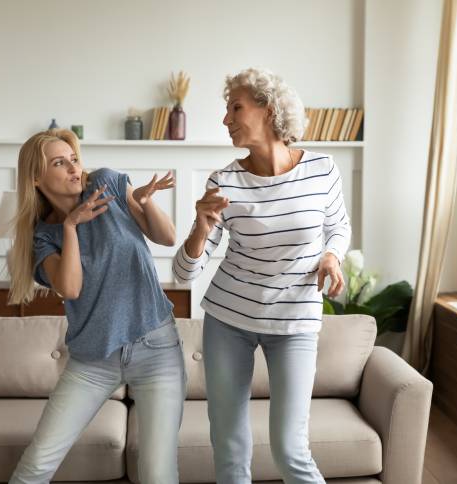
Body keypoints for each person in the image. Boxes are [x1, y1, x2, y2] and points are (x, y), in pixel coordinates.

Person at [173, 68, 351, 484]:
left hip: (295, 321)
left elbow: (338, 227)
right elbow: (185, 273)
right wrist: (201, 225)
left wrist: (331, 257)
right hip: (228, 320)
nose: (225, 119)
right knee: (231, 450)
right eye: (226, 109)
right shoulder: (225, 182)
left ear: (269, 110)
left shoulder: (322, 169)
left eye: (235, 107)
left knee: (291, 449)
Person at [8, 128, 185, 484]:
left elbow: (166, 237)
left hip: (156, 349)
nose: (74, 168)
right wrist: (71, 227)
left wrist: (146, 201)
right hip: (92, 361)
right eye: (60, 163)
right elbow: (70, 287)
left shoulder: (108, 184)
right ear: (36, 177)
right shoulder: (43, 237)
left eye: (74, 159)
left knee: (156, 474)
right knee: (37, 463)